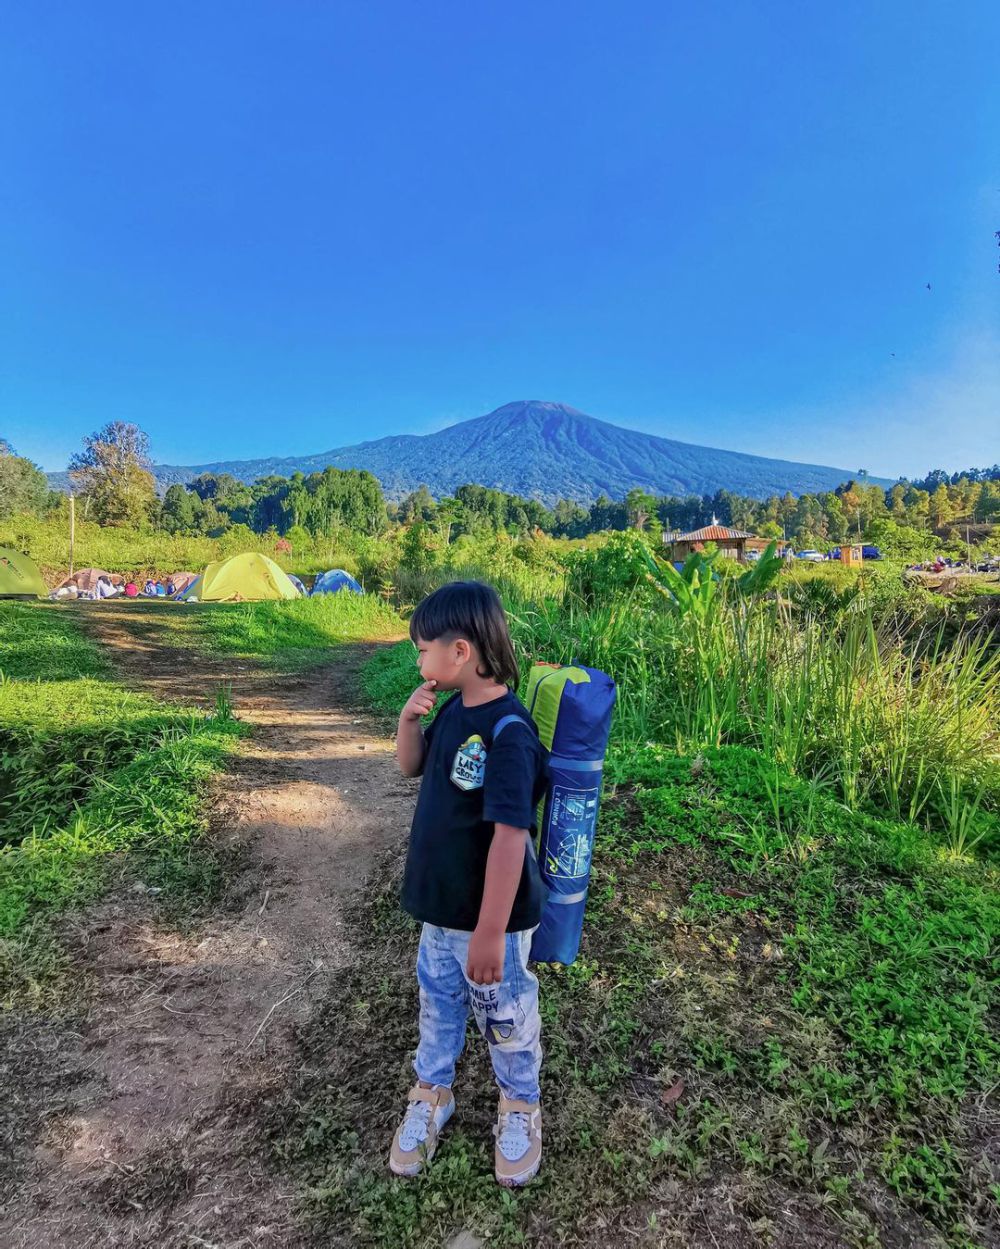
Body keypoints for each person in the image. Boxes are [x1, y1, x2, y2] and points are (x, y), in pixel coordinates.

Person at [389, 581, 548, 1187]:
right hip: (441, 909)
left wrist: (489, 932)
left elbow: (511, 839)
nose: (418, 660)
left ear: (460, 652)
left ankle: (520, 1105)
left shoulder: (510, 733)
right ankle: (432, 1092)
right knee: (439, 1005)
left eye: (422, 648)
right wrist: (408, 718)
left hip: (491, 925)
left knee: (503, 1016)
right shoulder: (454, 708)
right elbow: (412, 765)